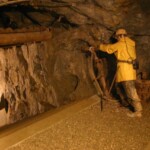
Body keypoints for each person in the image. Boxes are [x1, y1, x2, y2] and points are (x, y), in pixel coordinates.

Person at [91, 28, 143, 117]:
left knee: (130, 89)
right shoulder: (131, 43)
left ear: (119, 36)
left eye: (117, 37)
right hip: (129, 69)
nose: (117, 38)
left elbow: (109, 48)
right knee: (119, 86)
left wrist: (99, 46)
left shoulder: (120, 44)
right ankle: (126, 103)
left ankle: (138, 111)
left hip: (125, 70)